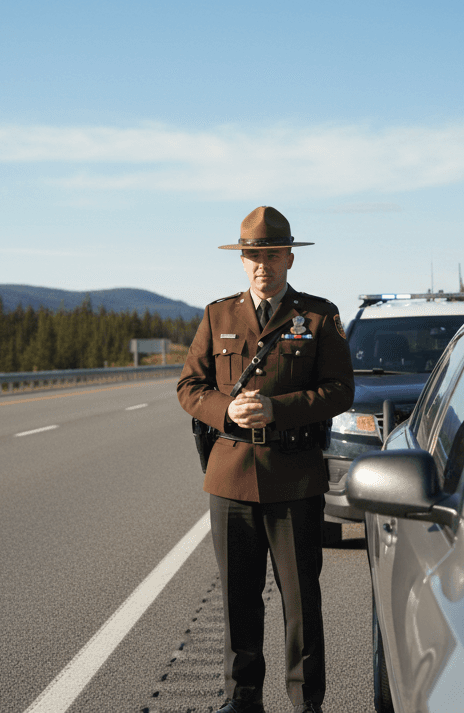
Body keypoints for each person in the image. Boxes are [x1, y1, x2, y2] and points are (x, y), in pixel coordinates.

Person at [177, 206, 353, 713]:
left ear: (289, 258)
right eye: (253, 255)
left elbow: (340, 391)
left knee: (301, 603)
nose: (262, 265)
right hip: (230, 477)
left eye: (272, 254)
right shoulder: (218, 316)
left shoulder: (317, 317)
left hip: (294, 478)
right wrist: (226, 410)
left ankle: (305, 700)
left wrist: (278, 409)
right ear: (243, 260)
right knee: (238, 598)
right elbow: (189, 386)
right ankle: (242, 698)